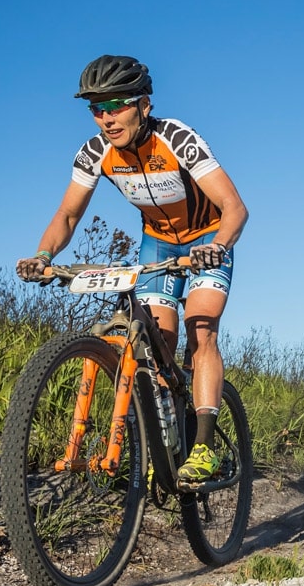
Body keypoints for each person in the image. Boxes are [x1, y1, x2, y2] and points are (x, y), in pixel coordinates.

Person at [15, 55, 249, 483]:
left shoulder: (177, 138)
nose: (106, 118)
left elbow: (234, 207)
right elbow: (68, 215)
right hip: (158, 243)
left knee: (201, 330)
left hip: (206, 238)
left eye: (117, 105)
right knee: (159, 346)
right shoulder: (94, 152)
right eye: (97, 109)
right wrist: (43, 257)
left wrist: (217, 246)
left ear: (143, 104)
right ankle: (167, 436)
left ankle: (205, 446)